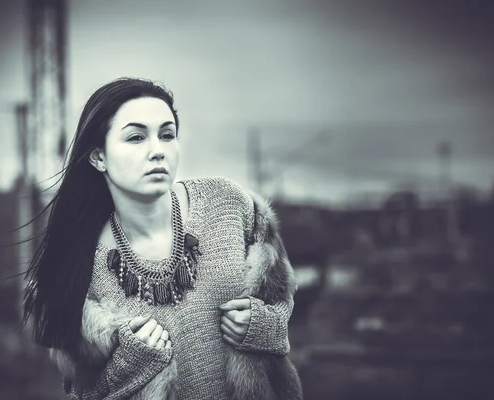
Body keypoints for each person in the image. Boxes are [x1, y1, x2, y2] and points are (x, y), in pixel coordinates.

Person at [22, 77, 302, 400]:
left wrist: (264, 327)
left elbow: (282, 299)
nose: (157, 151)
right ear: (99, 157)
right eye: (136, 137)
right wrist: (131, 363)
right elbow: (82, 395)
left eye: (167, 135)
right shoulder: (82, 271)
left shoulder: (228, 204)